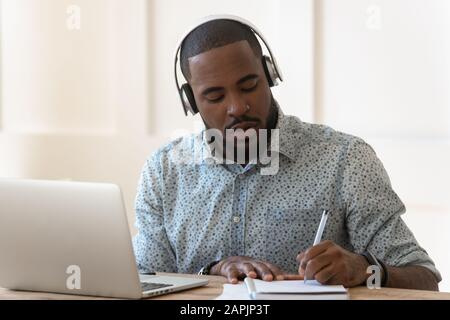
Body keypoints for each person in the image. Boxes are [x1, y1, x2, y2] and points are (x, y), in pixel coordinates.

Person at [133, 16, 441, 290]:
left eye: (249, 85)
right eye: (214, 96)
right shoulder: (164, 171)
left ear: (269, 74)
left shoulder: (344, 159)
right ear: (191, 101)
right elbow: (144, 279)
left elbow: (424, 278)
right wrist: (211, 271)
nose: (238, 107)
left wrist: (364, 268)